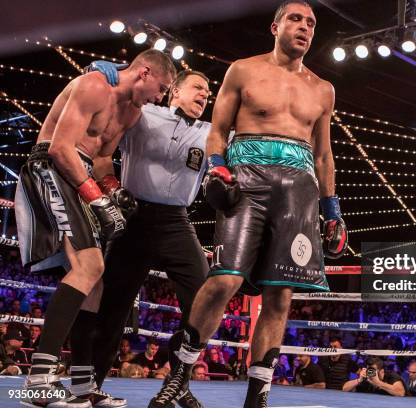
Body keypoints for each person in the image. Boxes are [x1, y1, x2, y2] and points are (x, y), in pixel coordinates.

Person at [148, 1, 348, 407]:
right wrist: (218, 169)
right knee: (224, 279)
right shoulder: (243, 69)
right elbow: (217, 131)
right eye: (295, 18)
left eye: (311, 22)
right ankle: (178, 379)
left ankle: (257, 397)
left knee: (280, 295)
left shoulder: (322, 89)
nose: (304, 27)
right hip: (247, 180)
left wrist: (333, 211)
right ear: (275, 26)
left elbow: (324, 155)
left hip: (300, 190)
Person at [14, 49, 175, 407]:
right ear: (144, 72)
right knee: (90, 266)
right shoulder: (93, 85)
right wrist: (96, 198)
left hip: (82, 172)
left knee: (95, 283)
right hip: (50, 166)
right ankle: (38, 379)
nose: (159, 98)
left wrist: (113, 190)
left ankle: (83, 384)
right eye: (161, 88)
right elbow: (59, 148)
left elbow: (101, 157)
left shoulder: (131, 113)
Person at [85, 65, 213, 408]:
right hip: (134, 217)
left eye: (208, 92)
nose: (205, 94)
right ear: (175, 91)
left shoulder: (213, 133)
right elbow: (102, 134)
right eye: (199, 87)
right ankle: (91, 384)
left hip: (177, 221)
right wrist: (100, 72)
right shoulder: (143, 114)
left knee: (205, 302)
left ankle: (178, 380)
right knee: (113, 305)